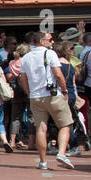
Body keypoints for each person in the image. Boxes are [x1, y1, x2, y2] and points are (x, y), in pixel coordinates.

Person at [20, 30, 74, 171]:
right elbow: (58, 74)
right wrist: (64, 90)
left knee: (41, 128)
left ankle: (43, 162)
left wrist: (29, 92)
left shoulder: (26, 57)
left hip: (35, 96)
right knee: (65, 124)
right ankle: (61, 153)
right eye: (50, 40)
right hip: (52, 94)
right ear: (42, 41)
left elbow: (23, 78)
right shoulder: (50, 53)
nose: (52, 42)